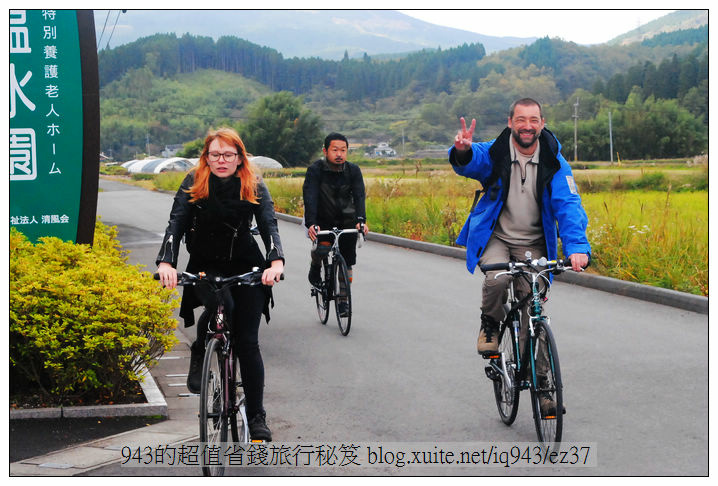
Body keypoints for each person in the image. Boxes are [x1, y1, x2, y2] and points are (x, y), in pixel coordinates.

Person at [449, 98, 590, 416]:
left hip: (535, 244)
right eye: (521, 119)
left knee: (533, 315)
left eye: (534, 119)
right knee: (497, 279)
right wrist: (462, 151)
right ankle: (490, 325)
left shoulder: (554, 161)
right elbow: (472, 162)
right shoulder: (496, 152)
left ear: (542, 122)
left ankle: (544, 389)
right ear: (510, 122)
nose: (528, 125)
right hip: (498, 237)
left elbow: (569, 205)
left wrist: (577, 248)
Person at [156, 127, 284, 441]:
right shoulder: (193, 182)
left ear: (240, 157)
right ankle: (201, 348)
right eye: (215, 154)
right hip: (204, 266)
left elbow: (268, 222)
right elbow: (177, 221)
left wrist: (275, 261)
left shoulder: (252, 183)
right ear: (207, 157)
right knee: (221, 305)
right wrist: (166, 262)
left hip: (246, 266)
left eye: (228, 154)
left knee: (247, 341)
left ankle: (256, 416)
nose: (222, 160)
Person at [302, 132, 369, 315]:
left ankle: (343, 301)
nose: (339, 154)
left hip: (347, 221)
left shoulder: (353, 171)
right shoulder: (316, 170)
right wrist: (312, 223)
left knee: (347, 263)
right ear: (325, 151)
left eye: (343, 150)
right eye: (335, 150)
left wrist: (361, 221)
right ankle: (315, 267)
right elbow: (310, 197)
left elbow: (359, 196)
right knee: (322, 250)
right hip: (323, 219)